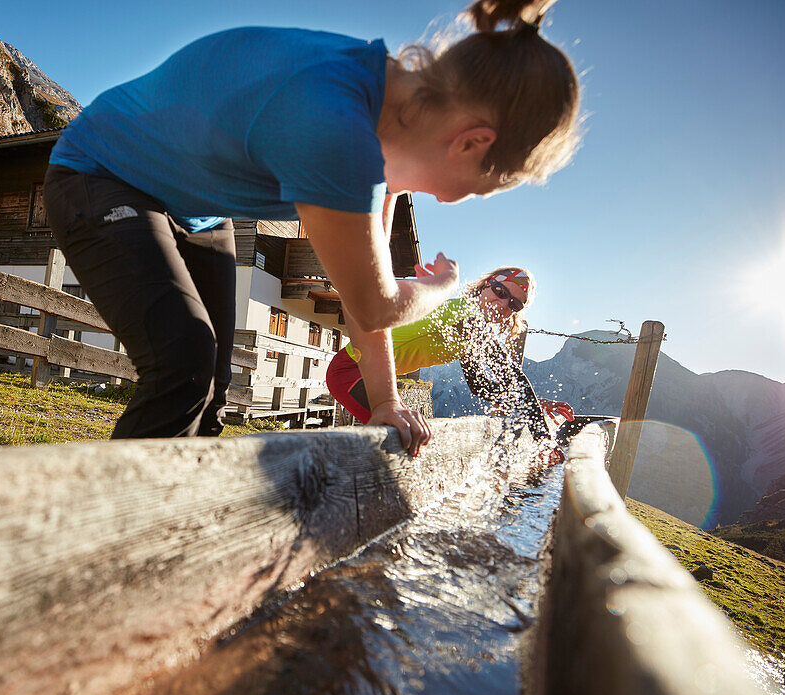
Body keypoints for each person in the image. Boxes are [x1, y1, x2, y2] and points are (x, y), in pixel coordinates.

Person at [43, 0, 580, 455]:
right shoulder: (337, 129)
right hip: (102, 174)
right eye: (475, 188)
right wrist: (444, 288)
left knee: (213, 382)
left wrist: (388, 403)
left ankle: (191, 520)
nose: (449, 198)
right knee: (183, 361)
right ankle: (115, 545)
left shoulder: (387, 128)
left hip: (196, 210)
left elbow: (360, 299)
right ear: (472, 142)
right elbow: (376, 304)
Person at [326, 267, 573, 439]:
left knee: (407, 438)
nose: (504, 305)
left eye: (515, 305)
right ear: (486, 287)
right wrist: (542, 438)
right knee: (404, 437)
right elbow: (512, 376)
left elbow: (480, 385)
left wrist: (532, 404)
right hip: (351, 370)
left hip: (374, 377)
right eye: (501, 292)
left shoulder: (470, 334)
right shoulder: (465, 313)